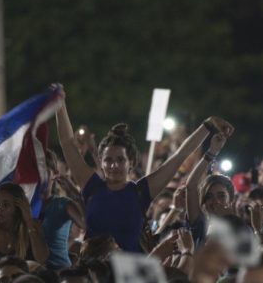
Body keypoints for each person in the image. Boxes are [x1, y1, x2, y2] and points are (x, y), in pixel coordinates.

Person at [55, 85, 233, 252]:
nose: (114, 165)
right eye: (108, 160)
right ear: (101, 162)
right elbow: (67, 143)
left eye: (120, 160)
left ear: (131, 163)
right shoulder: (91, 186)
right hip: (92, 270)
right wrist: (59, 103)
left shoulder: (140, 192)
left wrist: (207, 125)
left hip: (131, 271)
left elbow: (180, 155)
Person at [0, 182, 49, 264]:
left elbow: (42, 259)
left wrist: (29, 222)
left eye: (6, 205)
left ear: (18, 209)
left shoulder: (34, 227)